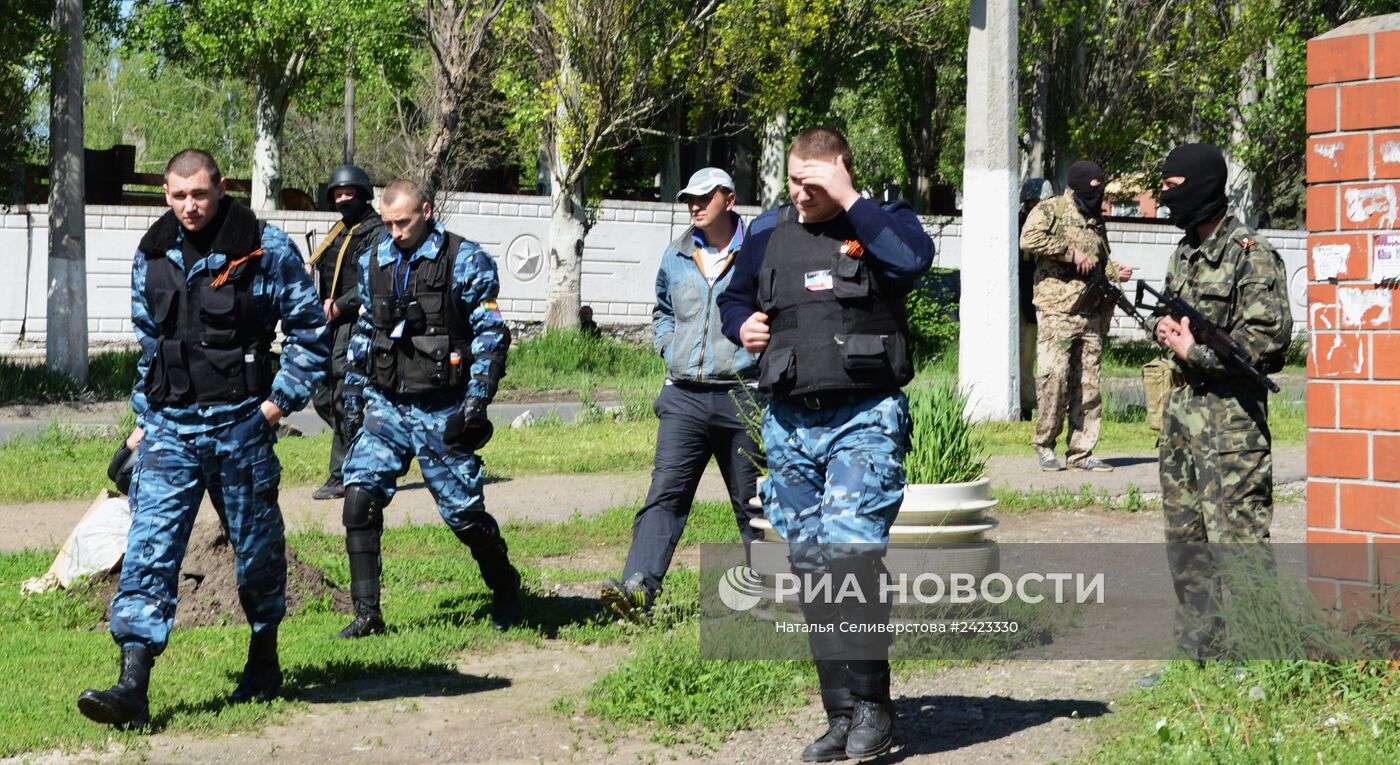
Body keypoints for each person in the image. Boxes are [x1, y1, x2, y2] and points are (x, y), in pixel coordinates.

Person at [77, 149, 329, 729]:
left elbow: (311, 335)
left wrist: (273, 408)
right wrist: (141, 423)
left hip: (241, 424)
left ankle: (264, 658)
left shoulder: (265, 247)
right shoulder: (151, 253)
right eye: (178, 195)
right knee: (150, 549)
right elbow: (153, 347)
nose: (189, 206)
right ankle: (132, 687)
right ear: (165, 193)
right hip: (170, 428)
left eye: (200, 194)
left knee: (257, 553)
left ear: (220, 190)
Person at [718, 127, 934, 762]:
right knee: (812, 567)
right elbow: (734, 296)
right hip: (789, 422)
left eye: (814, 179)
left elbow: (912, 262)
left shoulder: (882, 222)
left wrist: (851, 200)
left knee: (850, 556)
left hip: (862, 417)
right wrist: (743, 325)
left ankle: (874, 708)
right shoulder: (764, 233)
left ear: (840, 172)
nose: (799, 190)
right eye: (793, 178)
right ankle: (840, 715)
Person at [334, 179, 521, 639]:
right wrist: (353, 398)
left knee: (463, 515)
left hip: (443, 405)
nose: (395, 231)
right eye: (389, 222)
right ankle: (367, 616)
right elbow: (364, 333)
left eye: (404, 222)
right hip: (386, 404)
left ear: (427, 211)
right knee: (359, 499)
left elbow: (491, 335)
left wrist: (477, 400)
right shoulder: (372, 260)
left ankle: (506, 587)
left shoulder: (464, 259)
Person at [600, 167, 763, 622]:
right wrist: (668, 346)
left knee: (754, 503)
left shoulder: (757, 253)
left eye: (703, 197)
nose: (694, 204)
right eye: (689, 197)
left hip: (743, 396)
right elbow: (663, 310)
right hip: (684, 398)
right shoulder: (675, 254)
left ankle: (772, 596)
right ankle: (637, 591)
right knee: (665, 495)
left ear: (728, 200)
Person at [1150, 143, 1291, 659]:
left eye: (1172, 187)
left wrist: (1197, 351)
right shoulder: (1185, 252)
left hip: (1232, 428)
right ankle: (1200, 655)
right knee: (1186, 544)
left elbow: (1267, 342)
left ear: (1202, 185)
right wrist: (1164, 332)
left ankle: (1261, 659)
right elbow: (1172, 315)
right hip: (1182, 421)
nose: (1166, 197)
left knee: (1240, 544)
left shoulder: (1251, 255)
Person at [1019, 160, 1134, 472]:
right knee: (1053, 382)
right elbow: (1028, 239)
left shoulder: (1095, 218)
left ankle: (1081, 452)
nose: (1097, 196)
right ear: (1077, 186)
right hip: (1057, 312)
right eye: (1092, 190)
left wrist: (1114, 270)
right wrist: (1071, 254)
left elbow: (1099, 258)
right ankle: (1045, 445)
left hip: (1090, 311)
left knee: (1088, 385)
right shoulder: (1051, 209)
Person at [309, 164, 386, 501]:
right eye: (337, 194)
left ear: (362, 194)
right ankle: (368, 440)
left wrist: (340, 305)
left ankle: (341, 475)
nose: (342, 199)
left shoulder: (376, 231)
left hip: (356, 322)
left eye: (348, 193)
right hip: (328, 323)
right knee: (322, 394)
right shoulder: (338, 230)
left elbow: (376, 280)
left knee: (344, 396)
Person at [1018, 178, 1054, 420]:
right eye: (1031, 202)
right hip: (1026, 301)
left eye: (1038, 202)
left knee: (1051, 360)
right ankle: (1027, 405)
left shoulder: (1058, 225)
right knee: (1024, 357)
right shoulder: (1017, 225)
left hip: (1052, 300)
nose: (1034, 207)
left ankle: (1050, 406)